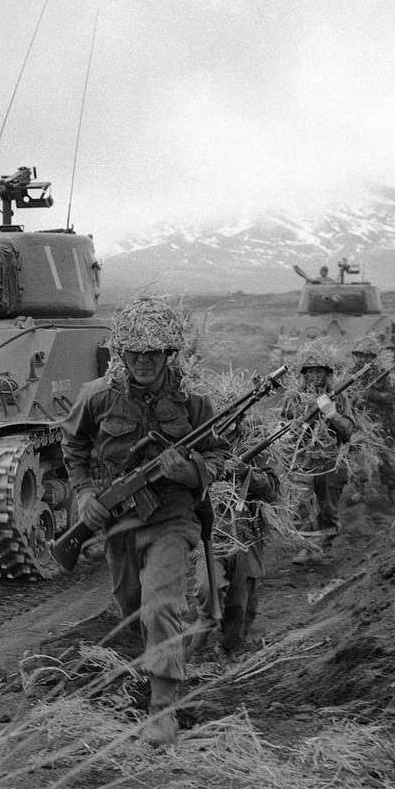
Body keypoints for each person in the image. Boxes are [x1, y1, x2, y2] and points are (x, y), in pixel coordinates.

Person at [62, 297, 230, 745]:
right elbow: (73, 448)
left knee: (161, 606)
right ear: (120, 353)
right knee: (132, 607)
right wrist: (84, 495)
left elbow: (217, 455)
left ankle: (163, 709)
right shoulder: (96, 397)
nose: (142, 361)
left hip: (173, 518)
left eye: (152, 352)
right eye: (134, 352)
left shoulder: (193, 402)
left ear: (169, 354)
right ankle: (154, 669)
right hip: (119, 522)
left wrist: (190, 471)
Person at [195, 408, 280, 656]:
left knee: (240, 604)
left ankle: (227, 648)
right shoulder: (200, 446)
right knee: (206, 588)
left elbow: (273, 490)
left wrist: (246, 474)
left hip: (246, 535)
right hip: (210, 534)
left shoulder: (257, 446)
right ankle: (198, 641)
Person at [281, 345, 355, 565]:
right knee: (300, 505)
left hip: (331, 461)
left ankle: (327, 544)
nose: (314, 376)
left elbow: (348, 431)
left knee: (328, 507)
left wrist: (331, 413)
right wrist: (293, 427)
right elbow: (284, 428)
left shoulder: (339, 398)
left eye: (319, 371)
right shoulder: (294, 399)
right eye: (310, 371)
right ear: (304, 374)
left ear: (327, 374)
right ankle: (307, 547)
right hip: (304, 461)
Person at [349, 334, 395, 507]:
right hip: (358, 424)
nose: (364, 359)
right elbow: (342, 398)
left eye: (368, 356)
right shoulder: (349, 375)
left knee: (386, 459)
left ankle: (392, 490)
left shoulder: (383, 375)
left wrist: (372, 394)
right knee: (359, 459)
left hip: (381, 424)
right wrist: (354, 399)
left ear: (373, 358)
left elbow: (391, 396)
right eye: (361, 355)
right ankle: (360, 490)